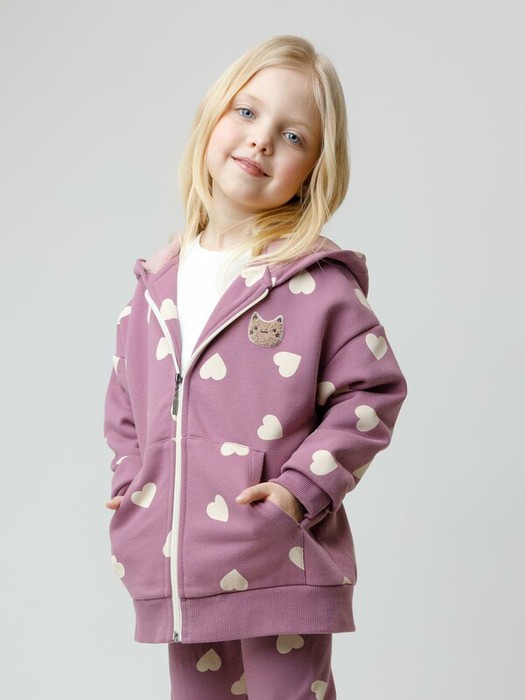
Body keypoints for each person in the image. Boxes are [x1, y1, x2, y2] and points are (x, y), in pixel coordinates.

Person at [103, 34, 408, 700]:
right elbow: (126, 399)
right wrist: (132, 482)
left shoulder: (317, 285)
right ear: (211, 118)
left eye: (293, 135)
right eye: (246, 112)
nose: (262, 139)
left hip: (277, 556)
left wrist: (299, 491)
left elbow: (372, 392)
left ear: (315, 170)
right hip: (182, 568)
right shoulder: (154, 287)